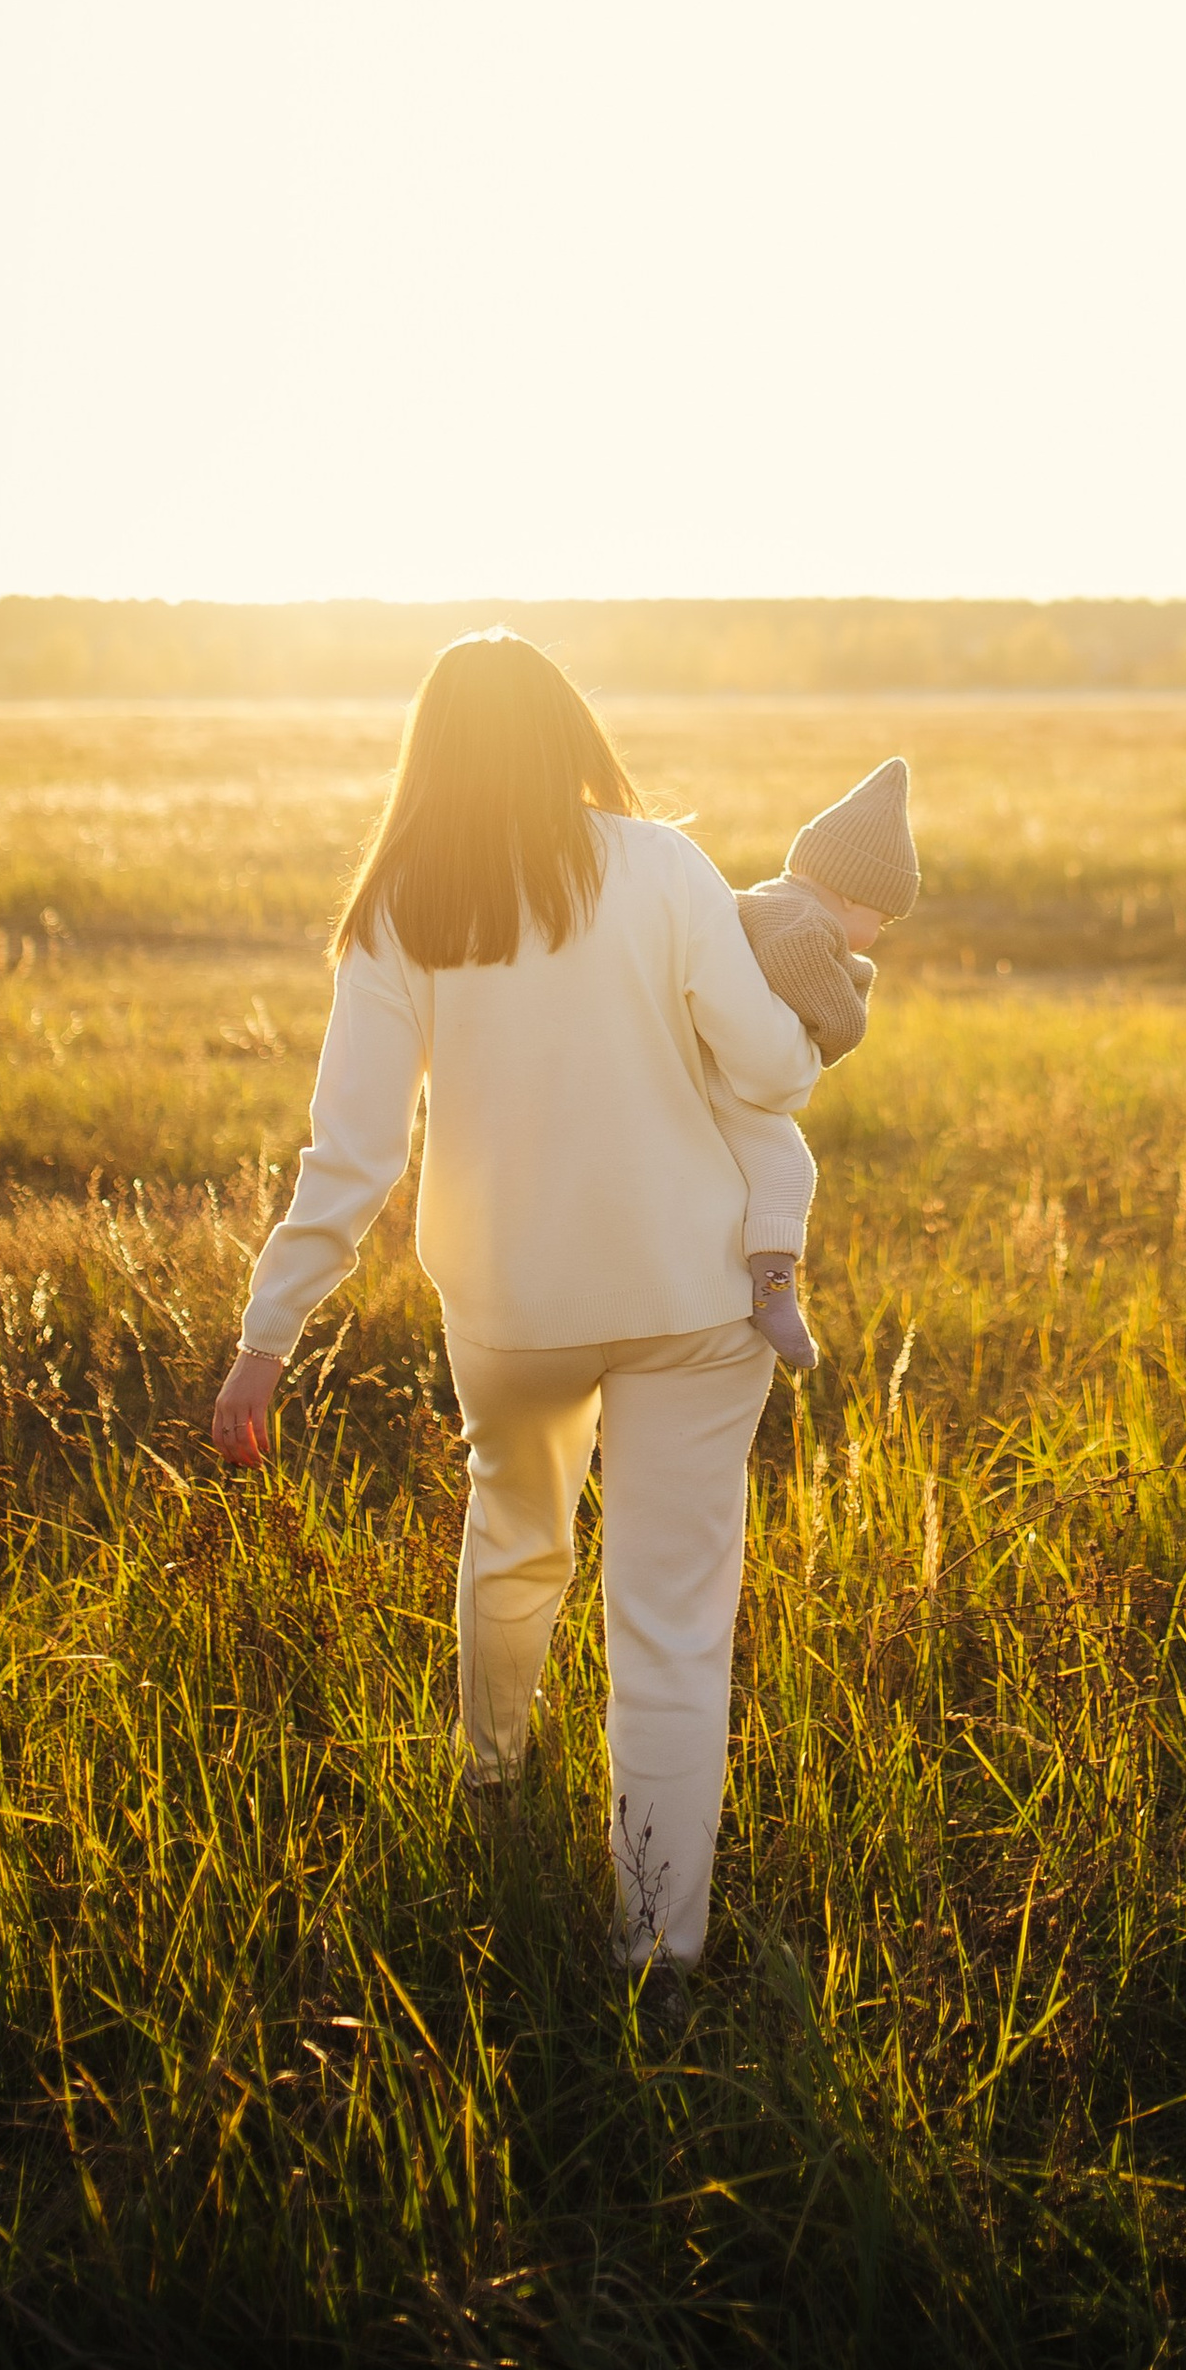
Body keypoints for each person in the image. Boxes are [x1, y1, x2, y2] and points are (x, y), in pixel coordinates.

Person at [209, 630, 824, 1972]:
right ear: (569, 731)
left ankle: (490, 1774)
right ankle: (658, 1950)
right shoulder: (665, 865)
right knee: (670, 1626)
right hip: (691, 1297)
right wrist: (820, 975)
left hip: (512, 1303)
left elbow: (352, 1156)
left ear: (431, 753)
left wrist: (268, 1337)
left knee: (517, 1533)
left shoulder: (399, 907)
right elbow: (775, 1071)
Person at [728, 755, 922, 1375]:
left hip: (712, 1057)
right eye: (880, 920)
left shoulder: (761, 899)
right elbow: (836, 1022)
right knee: (788, 1168)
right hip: (724, 1078)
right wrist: (855, 991)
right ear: (845, 891)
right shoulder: (806, 926)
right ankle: (773, 1290)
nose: (876, 936)